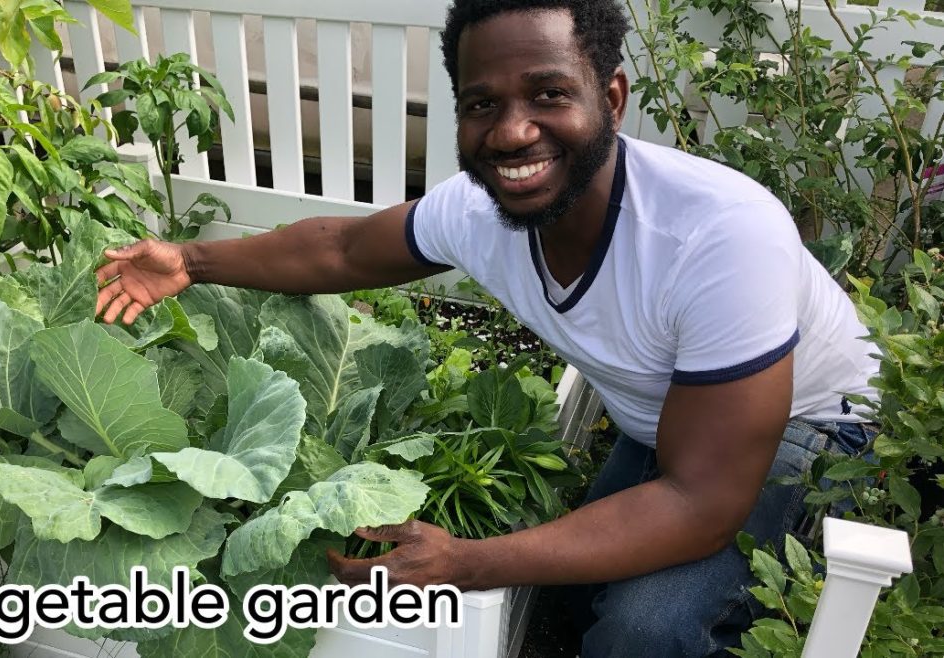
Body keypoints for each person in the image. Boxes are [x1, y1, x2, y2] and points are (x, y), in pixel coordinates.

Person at [94, 0, 879, 654]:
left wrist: (467, 562)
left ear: (611, 98)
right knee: (575, 601)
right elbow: (340, 248)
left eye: (547, 94)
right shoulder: (478, 214)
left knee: (639, 633)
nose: (510, 132)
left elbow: (701, 503)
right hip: (669, 415)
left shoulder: (717, 236)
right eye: (482, 104)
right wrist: (190, 262)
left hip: (810, 425)